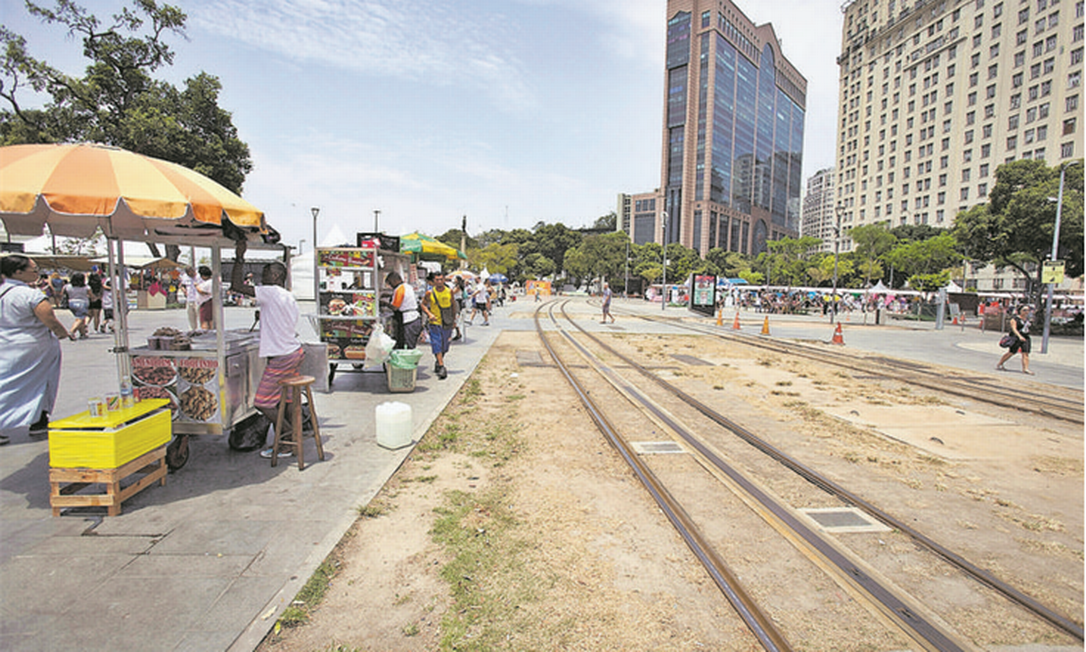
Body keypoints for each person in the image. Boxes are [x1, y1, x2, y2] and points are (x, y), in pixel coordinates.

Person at [232, 240, 305, 459]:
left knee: (262, 402)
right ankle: (292, 440)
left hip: (282, 356)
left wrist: (239, 257)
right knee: (288, 400)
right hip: (294, 352)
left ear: (274, 276)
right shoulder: (286, 295)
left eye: (264, 274)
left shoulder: (270, 292)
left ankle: (287, 437)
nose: (260, 279)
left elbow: (236, 286)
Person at [0, 255, 75, 444]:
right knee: (42, 382)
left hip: (7, 345)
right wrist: (62, 333)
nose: (37, 273)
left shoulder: (3, 292)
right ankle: (38, 420)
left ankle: (37, 419)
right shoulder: (30, 294)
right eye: (33, 269)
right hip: (34, 347)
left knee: (7, 384)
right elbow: (48, 316)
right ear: (17, 272)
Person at [421, 271, 458, 380]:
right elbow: (423, 304)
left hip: (447, 322)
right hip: (435, 323)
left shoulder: (449, 291)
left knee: (445, 345)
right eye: (437, 280)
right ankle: (442, 366)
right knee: (436, 343)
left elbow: (453, 305)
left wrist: (454, 320)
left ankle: (438, 360)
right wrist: (429, 314)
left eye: (441, 279)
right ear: (433, 281)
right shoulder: (430, 293)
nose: (439, 282)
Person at [385, 271, 422, 350]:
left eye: (390, 283)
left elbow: (395, 307)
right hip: (415, 318)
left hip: (409, 319)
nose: (391, 286)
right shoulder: (407, 286)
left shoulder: (399, 289)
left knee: (408, 344)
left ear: (395, 280)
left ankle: (408, 360)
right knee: (410, 344)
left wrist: (384, 303)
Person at [997, 305, 1035, 375]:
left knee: (1025, 352)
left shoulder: (1027, 320)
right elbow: (1014, 329)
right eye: (1024, 310)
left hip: (1026, 336)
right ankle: (1000, 363)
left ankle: (1026, 368)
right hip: (1016, 337)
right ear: (1020, 311)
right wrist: (1019, 336)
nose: (1026, 312)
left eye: (1028, 310)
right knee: (1012, 352)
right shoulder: (1015, 319)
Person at [63, 272, 91, 339]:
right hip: (82, 303)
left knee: (80, 318)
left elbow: (63, 294)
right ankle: (72, 331)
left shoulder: (67, 286)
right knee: (80, 319)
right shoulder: (86, 287)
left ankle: (82, 333)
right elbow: (91, 295)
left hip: (71, 303)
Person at [196, 266, 214, 330]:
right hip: (207, 302)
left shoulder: (208, 283)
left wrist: (196, 287)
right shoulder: (212, 281)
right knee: (210, 319)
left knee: (204, 320)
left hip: (206, 302)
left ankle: (205, 333)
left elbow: (202, 292)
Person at [87, 269, 103, 333]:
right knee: (97, 315)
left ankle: (86, 324)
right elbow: (101, 293)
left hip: (90, 300)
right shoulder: (100, 285)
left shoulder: (88, 285)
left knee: (89, 314)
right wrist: (98, 297)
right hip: (97, 300)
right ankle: (95, 329)